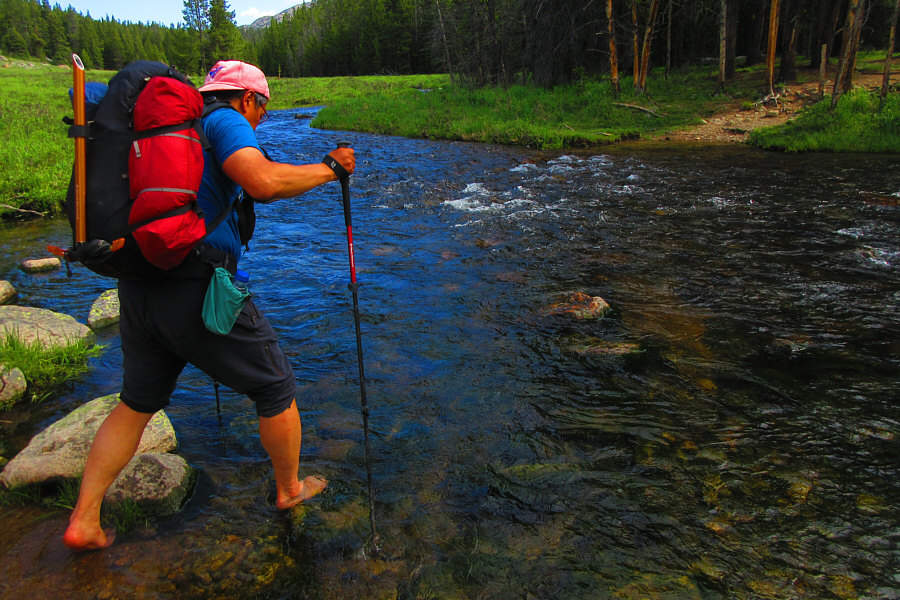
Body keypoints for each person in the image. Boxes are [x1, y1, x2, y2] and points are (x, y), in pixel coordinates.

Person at [63, 60, 356, 551]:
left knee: (136, 403)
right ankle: (290, 491)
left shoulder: (170, 124)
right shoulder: (223, 119)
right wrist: (328, 169)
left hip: (139, 281)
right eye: (262, 109)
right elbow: (261, 181)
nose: (260, 119)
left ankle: (84, 519)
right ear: (247, 99)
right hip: (195, 282)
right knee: (276, 384)